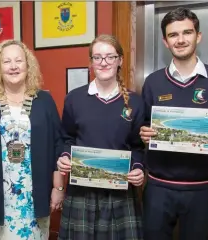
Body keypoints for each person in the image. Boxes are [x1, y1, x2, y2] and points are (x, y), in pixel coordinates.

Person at [139, 7, 208, 240]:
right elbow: (142, 125)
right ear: (165, 41)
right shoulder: (153, 82)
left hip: (201, 189)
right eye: (173, 35)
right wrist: (143, 132)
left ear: (198, 36)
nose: (181, 40)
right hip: (158, 187)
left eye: (187, 32)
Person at [0, 40, 65, 239]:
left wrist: (58, 187)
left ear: (28, 65)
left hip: (36, 192)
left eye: (19, 61)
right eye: (7, 61)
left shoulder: (44, 101)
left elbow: (58, 146)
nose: (13, 66)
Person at [56, 34, 145, 240]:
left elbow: (137, 147)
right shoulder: (74, 99)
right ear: (91, 63)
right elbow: (66, 138)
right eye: (97, 57)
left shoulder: (135, 102)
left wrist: (138, 168)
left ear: (120, 60)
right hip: (81, 191)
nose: (103, 62)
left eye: (110, 57)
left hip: (120, 191)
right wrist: (64, 156)